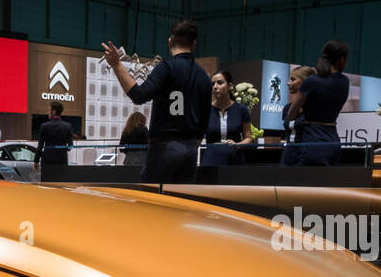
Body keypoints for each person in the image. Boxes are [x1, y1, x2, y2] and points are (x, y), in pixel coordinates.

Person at [101, 20, 211, 183]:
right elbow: (205, 117)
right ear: (193, 44)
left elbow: (139, 95)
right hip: (190, 150)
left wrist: (117, 64)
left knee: (151, 201)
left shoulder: (166, 68)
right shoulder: (204, 76)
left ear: (170, 41)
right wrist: (194, 142)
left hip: (164, 146)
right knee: (182, 202)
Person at [287, 40, 349, 166]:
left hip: (312, 139)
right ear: (342, 59)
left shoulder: (312, 81)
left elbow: (291, 115)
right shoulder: (345, 82)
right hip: (333, 140)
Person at [201, 70, 252, 166]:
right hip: (211, 160)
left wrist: (238, 145)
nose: (215, 87)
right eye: (213, 84)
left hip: (235, 160)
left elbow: (248, 138)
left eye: (220, 83)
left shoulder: (241, 109)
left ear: (230, 86)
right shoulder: (205, 110)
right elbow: (197, 138)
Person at [280, 65, 314, 166]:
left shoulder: (314, 109)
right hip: (288, 156)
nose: (288, 82)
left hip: (307, 155)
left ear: (306, 82)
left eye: (293, 79)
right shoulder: (287, 108)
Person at [33, 102, 75, 178]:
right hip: (62, 162)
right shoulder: (68, 126)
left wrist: (36, 161)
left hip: (47, 162)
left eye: (49, 110)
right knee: (61, 186)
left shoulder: (44, 126)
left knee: (47, 186)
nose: (48, 112)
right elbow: (70, 147)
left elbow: (40, 147)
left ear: (54, 111)